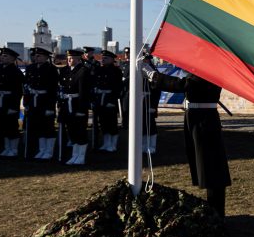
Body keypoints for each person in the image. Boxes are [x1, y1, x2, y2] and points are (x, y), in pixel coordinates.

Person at [143, 59, 231, 216]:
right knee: (204, 164)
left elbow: (183, 85)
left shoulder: (209, 68)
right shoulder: (205, 67)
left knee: (211, 165)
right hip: (197, 117)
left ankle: (217, 211)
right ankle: (214, 209)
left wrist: (153, 75)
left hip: (204, 119)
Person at [24, 47, 59, 160]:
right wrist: (27, 102)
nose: (36, 57)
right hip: (34, 101)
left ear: (45, 57)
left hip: (45, 100)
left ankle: (49, 151)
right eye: (36, 55)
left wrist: (50, 106)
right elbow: (27, 87)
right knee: (38, 127)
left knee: (48, 127)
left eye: (39, 56)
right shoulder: (30, 68)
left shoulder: (51, 69)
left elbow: (53, 89)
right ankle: (42, 149)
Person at [58, 48, 91, 165]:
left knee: (80, 131)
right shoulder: (65, 71)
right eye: (68, 58)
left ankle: (80, 156)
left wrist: (82, 109)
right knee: (71, 131)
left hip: (77, 104)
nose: (69, 60)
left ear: (78, 59)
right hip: (67, 104)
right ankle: (74, 155)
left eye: (72, 58)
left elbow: (84, 92)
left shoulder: (83, 71)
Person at [0, 47, 24, 157]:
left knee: (11, 127)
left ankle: (13, 149)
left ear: (13, 59)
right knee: (2, 126)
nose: (2, 58)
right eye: (2, 56)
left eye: (5, 56)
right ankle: (6, 148)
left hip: (9, 102)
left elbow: (17, 91)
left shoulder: (16, 72)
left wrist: (13, 107)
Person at [92, 50, 123, 152]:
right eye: (102, 58)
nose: (103, 60)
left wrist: (112, 101)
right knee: (103, 123)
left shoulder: (116, 71)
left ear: (111, 59)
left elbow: (118, 87)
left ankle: (113, 144)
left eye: (105, 58)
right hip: (100, 98)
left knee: (112, 123)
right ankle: (106, 143)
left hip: (110, 98)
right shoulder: (99, 70)